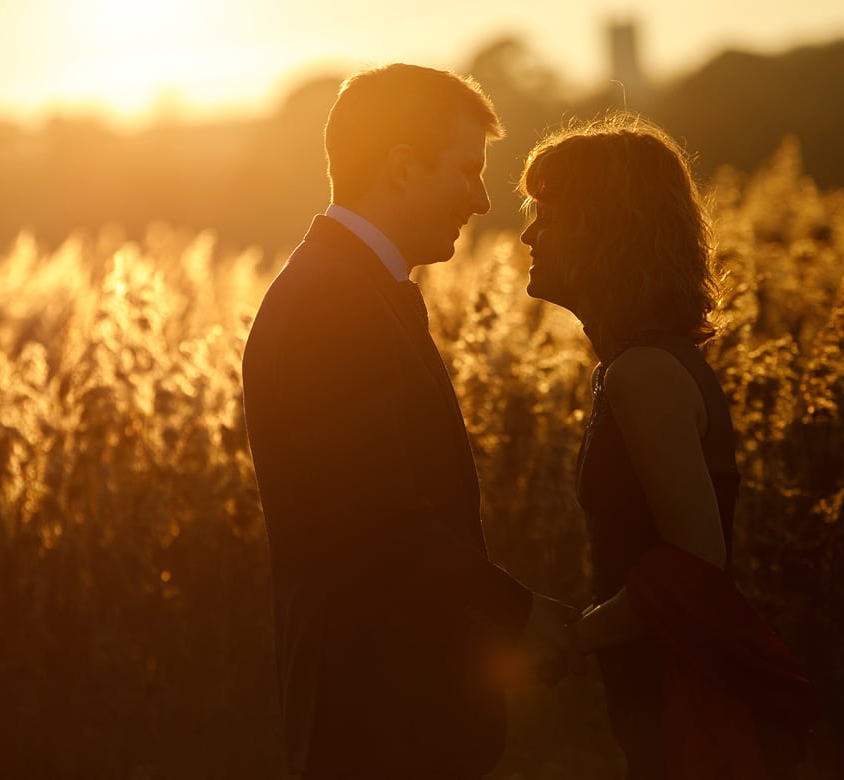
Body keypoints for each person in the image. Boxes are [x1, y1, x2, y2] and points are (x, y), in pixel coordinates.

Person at [242, 63, 577, 780]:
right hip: (377, 723)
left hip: (391, 712)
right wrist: (521, 614)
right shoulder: (333, 303)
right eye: (464, 171)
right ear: (401, 168)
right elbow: (381, 529)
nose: (482, 199)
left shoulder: (352, 287)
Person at [518, 113, 816, 779]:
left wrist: (575, 637)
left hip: (684, 701)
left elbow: (694, 563)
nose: (528, 233)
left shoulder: (645, 374)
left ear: (605, 228)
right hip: (661, 690)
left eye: (548, 213)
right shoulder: (628, 368)